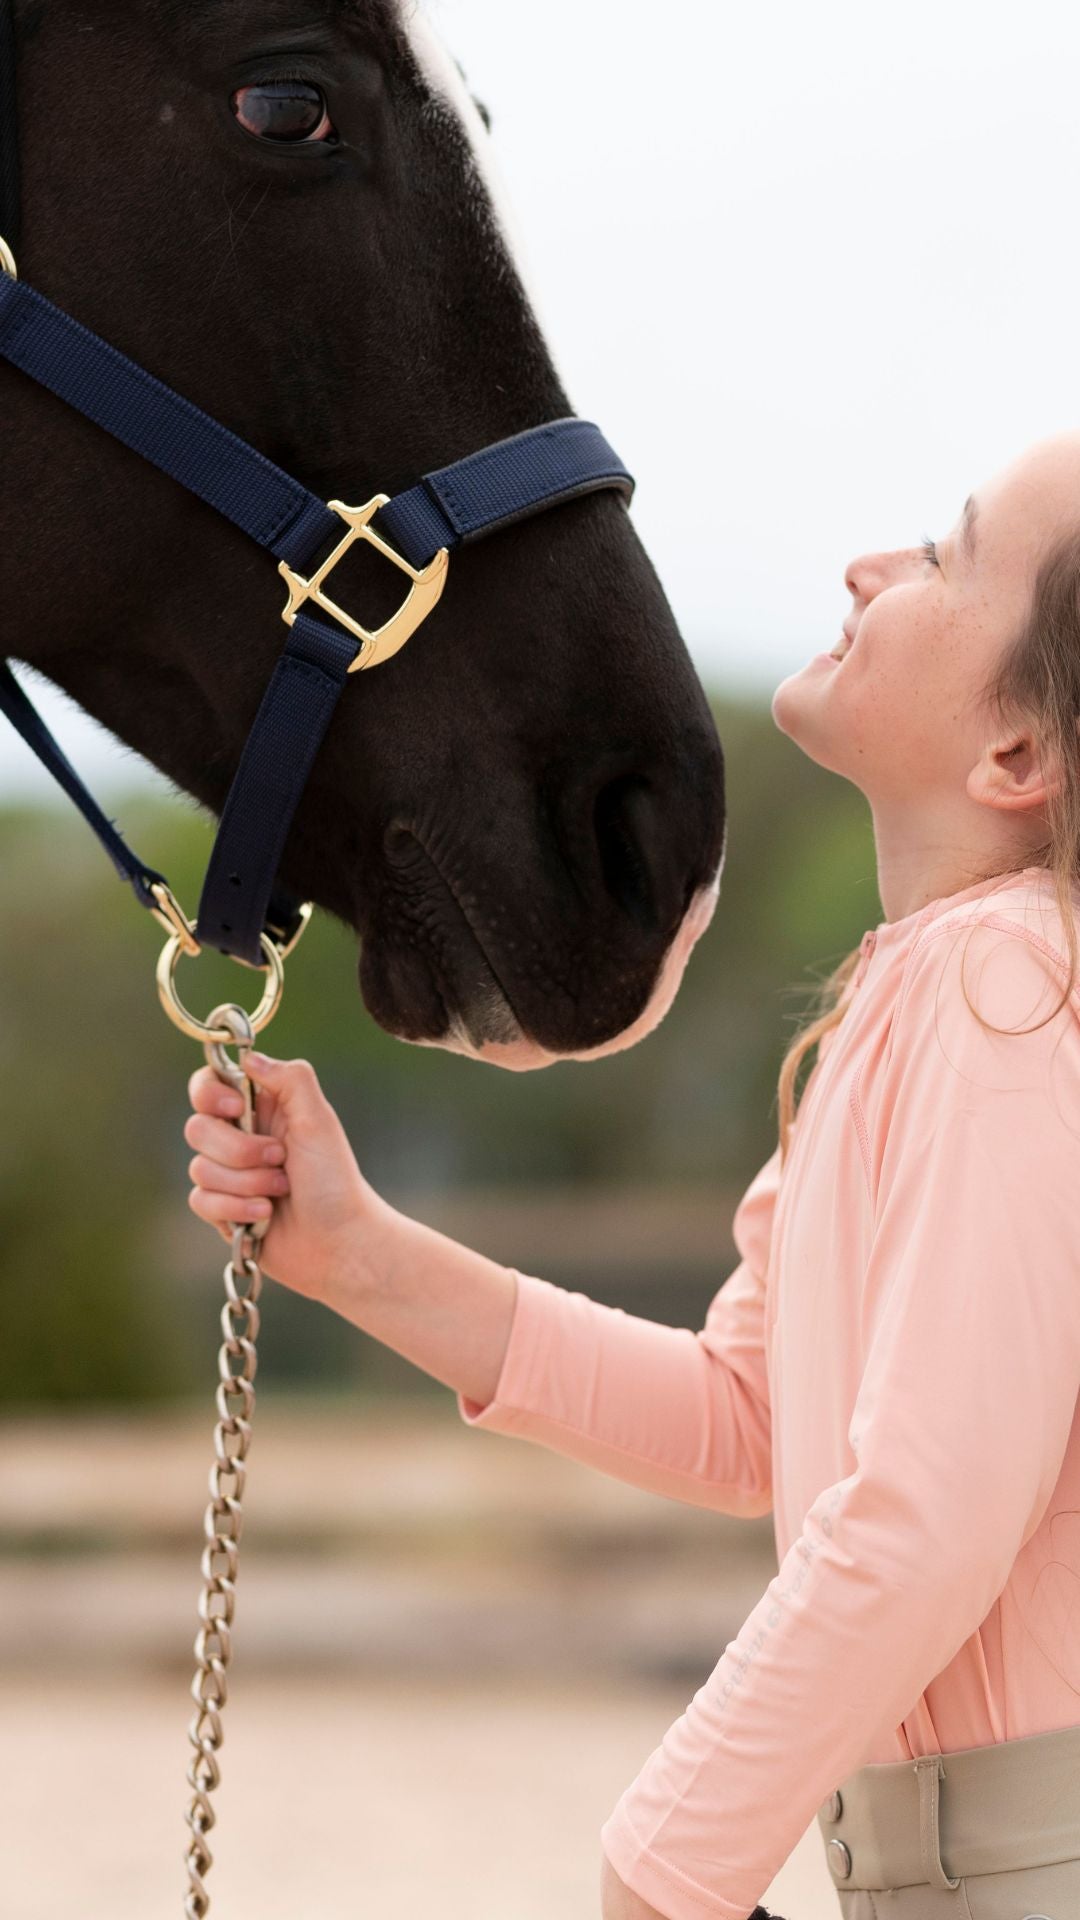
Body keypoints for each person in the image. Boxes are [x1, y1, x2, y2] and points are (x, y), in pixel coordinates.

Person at [185, 431, 1080, 1920]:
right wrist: (359, 1254)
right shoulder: (928, 998)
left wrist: (669, 1855)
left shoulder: (1005, 989)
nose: (872, 566)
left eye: (942, 556)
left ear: (1018, 755)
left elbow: (929, 1514)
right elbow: (752, 1425)